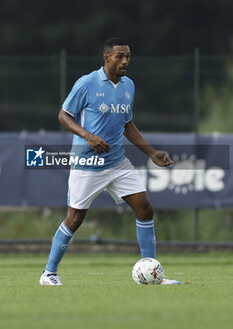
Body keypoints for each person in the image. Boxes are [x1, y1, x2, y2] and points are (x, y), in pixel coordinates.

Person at [39, 37, 180, 286]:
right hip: (87, 165)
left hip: (117, 163)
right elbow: (64, 115)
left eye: (128, 56)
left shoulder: (128, 86)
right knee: (74, 219)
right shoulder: (87, 83)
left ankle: (152, 272)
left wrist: (151, 152)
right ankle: (48, 274)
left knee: (145, 207)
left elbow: (128, 125)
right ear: (107, 57)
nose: (125, 61)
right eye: (120, 56)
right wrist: (89, 137)